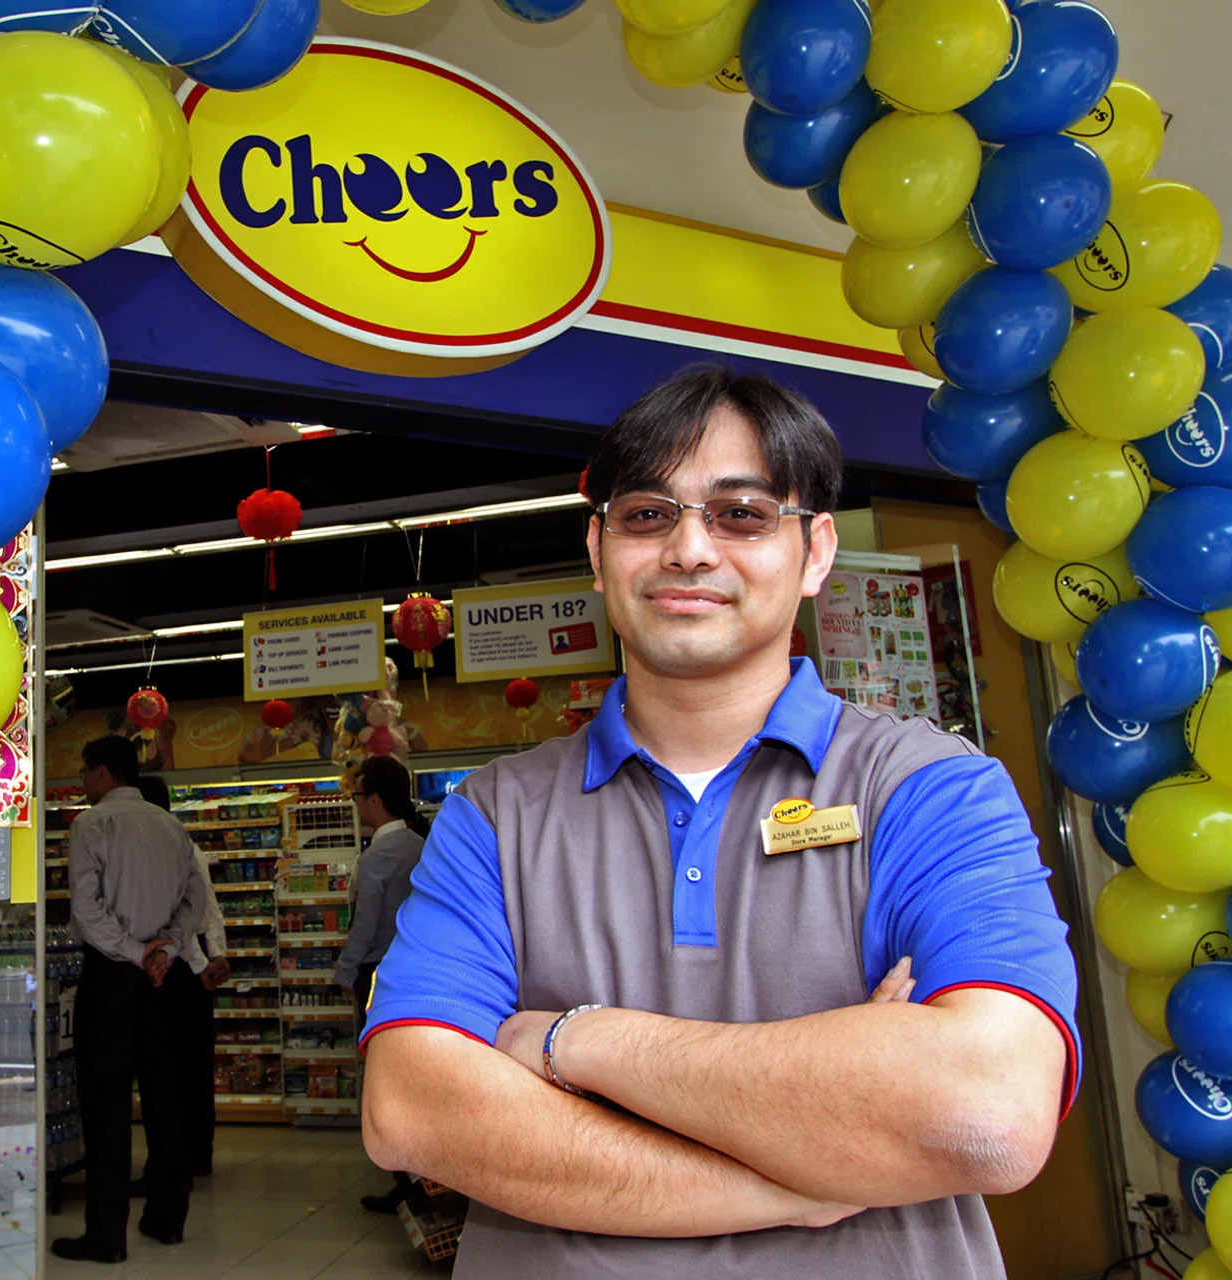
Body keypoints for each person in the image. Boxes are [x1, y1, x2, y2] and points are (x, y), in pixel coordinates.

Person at [360, 365, 1079, 1277]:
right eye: (647, 515)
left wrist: (568, 1039)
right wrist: (796, 1185)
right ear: (598, 548)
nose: (689, 550)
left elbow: (987, 1111)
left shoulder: (934, 788)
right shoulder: (493, 817)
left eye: (741, 513)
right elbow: (414, 1113)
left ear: (816, 551)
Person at [53, 737, 210, 1264]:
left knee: (107, 1107)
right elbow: (196, 901)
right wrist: (165, 947)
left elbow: (86, 905)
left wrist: (134, 949)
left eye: (84, 770)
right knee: (167, 1102)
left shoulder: (92, 824)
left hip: (114, 979)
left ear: (102, 773)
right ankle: (167, 1219)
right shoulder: (171, 825)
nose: (82, 780)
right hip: (166, 982)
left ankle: (106, 1234)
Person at [334, 754, 429, 1216]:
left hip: (378, 972)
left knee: (384, 1077)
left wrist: (343, 970)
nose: (355, 803)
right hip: (419, 969)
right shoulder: (420, 844)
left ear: (373, 800)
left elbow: (365, 924)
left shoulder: (378, 855)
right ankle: (422, 1179)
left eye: (357, 795)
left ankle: (403, 1179)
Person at [132, 774, 229, 1191]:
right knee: (194, 1067)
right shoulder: (188, 845)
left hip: (177, 972)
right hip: (192, 969)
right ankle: (196, 1155)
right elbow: (209, 908)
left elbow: (185, 920)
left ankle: (175, 1163)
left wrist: (197, 962)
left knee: (169, 1071)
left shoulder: (157, 852)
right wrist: (216, 956)